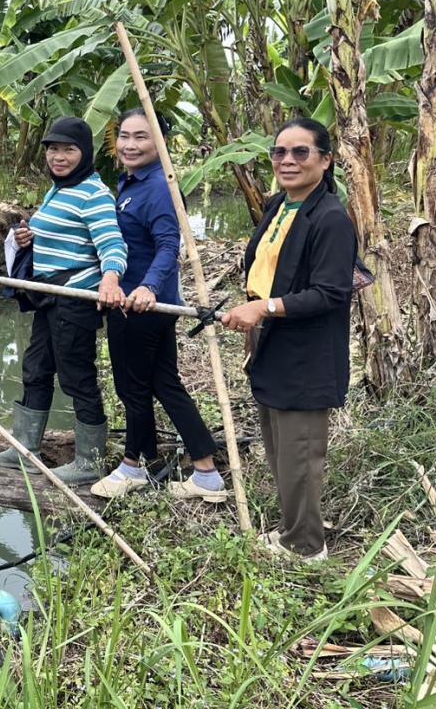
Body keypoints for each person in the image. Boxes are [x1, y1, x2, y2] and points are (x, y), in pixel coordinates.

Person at [221, 118, 355, 562]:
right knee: (278, 446)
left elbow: (331, 292)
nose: (288, 161)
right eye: (280, 152)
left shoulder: (331, 217)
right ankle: (289, 531)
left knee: (299, 453)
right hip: (271, 342)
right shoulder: (280, 205)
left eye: (301, 152)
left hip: (307, 353)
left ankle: (305, 547)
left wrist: (264, 308)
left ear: (325, 160)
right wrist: (253, 313)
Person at [89, 108, 226, 501]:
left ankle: (133, 466)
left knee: (133, 387)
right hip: (136, 303)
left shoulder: (159, 187)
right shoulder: (130, 183)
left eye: (141, 137)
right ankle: (204, 471)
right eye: (125, 136)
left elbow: (169, 245)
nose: (130, 145)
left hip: (142, 306)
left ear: (160, 144)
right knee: (163, 383)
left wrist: (148, 287)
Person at [0, 116, 126, 483]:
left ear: (85, 153)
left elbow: (112, 243)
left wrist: (110, 277)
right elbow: (64, 234)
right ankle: (26, 450)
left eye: (68, 149)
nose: (58, 157)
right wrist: (28, 239)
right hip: (50, 297)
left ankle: (89, 462)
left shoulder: (94, 194)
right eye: (52, 149)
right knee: (35, 369)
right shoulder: (59, 190)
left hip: (75, 299)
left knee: (77, 376)